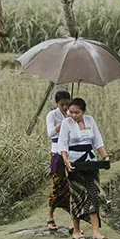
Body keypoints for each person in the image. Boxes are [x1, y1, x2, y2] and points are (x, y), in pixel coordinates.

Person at [58, 98, 109, 239]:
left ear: (83, 111)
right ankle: (76, 230)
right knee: (78, 196)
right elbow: (63, 143)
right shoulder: (66, 123)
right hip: (74, 164)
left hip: (90, 162)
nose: (73, 115)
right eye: (71, 112)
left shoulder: (90, 120)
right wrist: (66, 160)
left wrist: (105, 156)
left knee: (94, 194)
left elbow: (97, 141)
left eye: (77, 113)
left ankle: (96, 232)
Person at [45, 90, 72, 231]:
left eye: (67, 104)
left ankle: (73, 220)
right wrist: (63, 124)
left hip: (69, 151)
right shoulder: (52, 115)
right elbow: (50, 133)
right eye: (62, 104)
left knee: (71, 187)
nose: (65, 107)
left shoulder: (72, 114)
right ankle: (50, 215)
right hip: (57, 152)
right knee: (57, 184)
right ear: (57, 104)